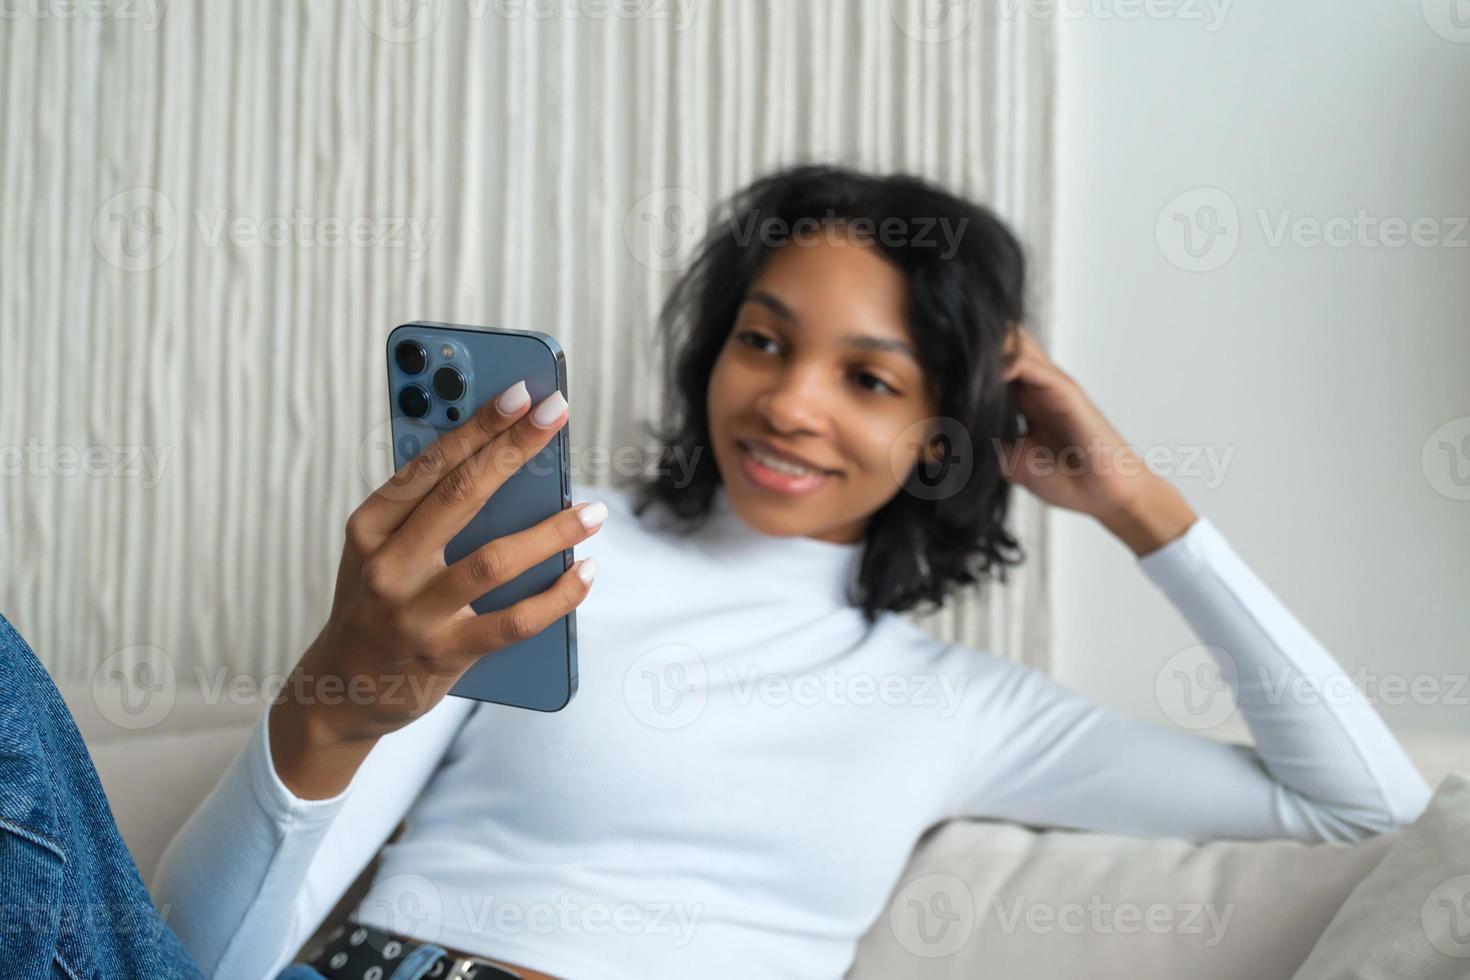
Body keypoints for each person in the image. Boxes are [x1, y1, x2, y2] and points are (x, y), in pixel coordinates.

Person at [5, 165, 1430, 980]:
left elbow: (1360, 803)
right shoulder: (550, 552)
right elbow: (198, 961)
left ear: (947, 431)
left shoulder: (961, 706)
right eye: (763, 339)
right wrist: (334, 699)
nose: (790, 403)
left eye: (868, 376)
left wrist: (1137, 503)